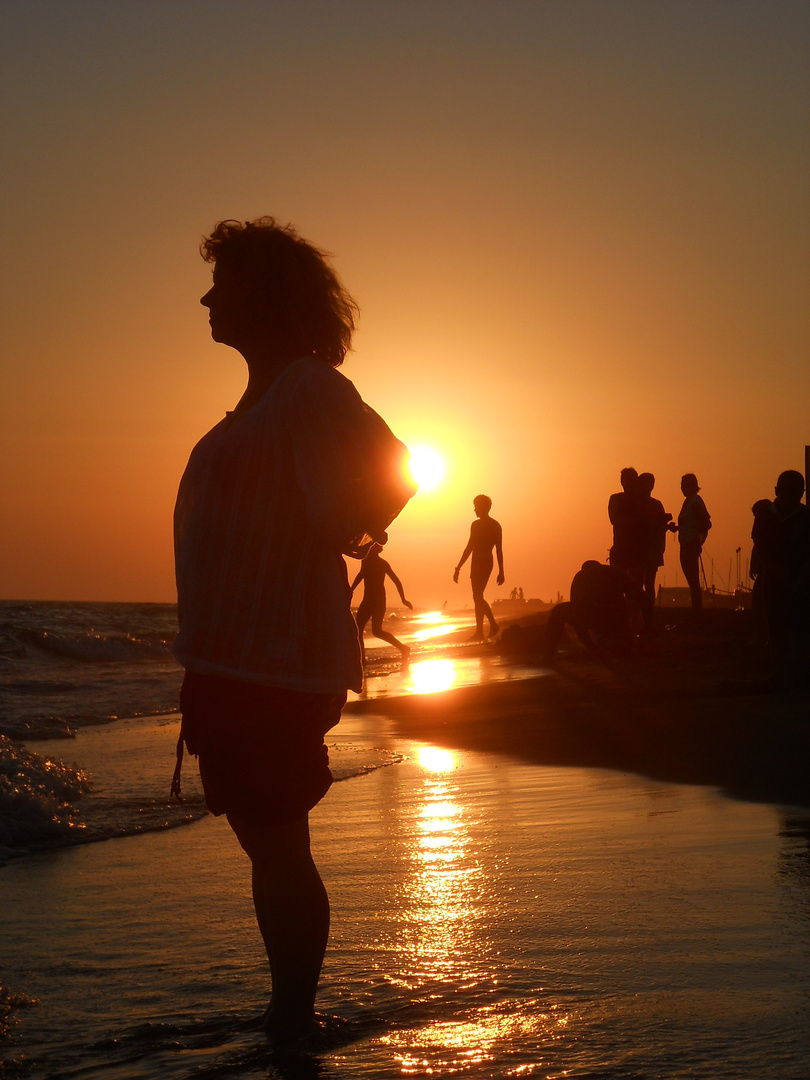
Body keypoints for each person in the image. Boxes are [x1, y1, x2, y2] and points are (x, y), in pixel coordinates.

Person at [170, 217, 415, 1043]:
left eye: (225, 281)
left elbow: (393, 468)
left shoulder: (307, 387)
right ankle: (288, 1007)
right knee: (269, 845)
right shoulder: (264, 400)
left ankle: (293, 1015)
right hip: (236, 662)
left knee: (278, 846)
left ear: (267, 295)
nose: (207, 295)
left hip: (272, 662)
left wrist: (349, 523)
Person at [751, 470, 810, 683]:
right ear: (777, 492)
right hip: (775, 581)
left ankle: (799, 670)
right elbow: (760, 547)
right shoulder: (765, 515)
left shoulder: (805, 517)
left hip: (800, 582)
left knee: (800, 626)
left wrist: (800, 576)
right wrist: (774, 570)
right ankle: (779, 670)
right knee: (776, 626)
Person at [545, 560, 642, 660]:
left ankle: (548, 655)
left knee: (558, 611)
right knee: (622, 647)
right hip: (615, 618)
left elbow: (577, 614)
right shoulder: (614, 571)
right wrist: (648, 627)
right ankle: (607, 647)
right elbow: (642, 597)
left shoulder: (581, 576)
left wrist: (590, 646)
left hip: (592, 616)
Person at [350, 543, 413, 664]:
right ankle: (362, 660)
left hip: (378, 601)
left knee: (376, 631)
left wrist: (403, 600)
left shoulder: (382, 564)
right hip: (368, 600)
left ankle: (403, 649)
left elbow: (396, 581)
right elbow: (361, 575)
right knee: (358, 630)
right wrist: (351, 589)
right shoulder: (366, 561)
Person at [453, 494, 504, 640]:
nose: (474, 509)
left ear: (483, 507)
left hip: (483, 562)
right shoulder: (490, 525)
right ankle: (482, 630)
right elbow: (471, 547)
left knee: (477, 596)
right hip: (481, 562)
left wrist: (502, 571)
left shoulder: (487, 525)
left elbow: (497, 549)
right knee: (478, 596)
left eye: (476, 506)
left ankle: (486, 628)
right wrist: (458, 567)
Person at [671, 473, 711, 618]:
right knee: (692, 580)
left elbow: (706, 523)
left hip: (690, 545)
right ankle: (696, 612)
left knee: (693, 580)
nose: (681, 488)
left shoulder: (694, 502)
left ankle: (697, 613)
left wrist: (697, 539)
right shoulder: (689, 501)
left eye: (683, 485)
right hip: (687, 543)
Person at [637, 472, 672, 626]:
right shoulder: (644, 504)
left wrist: (665, 525)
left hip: (649, 551)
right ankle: (643, 618)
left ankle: (646, 618)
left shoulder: (653, 504)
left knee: (647, 584)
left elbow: (658, 528)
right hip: (643, 550)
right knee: (642, 585)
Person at [607, 468, 646, 586]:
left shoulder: (641, 500)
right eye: (624, 480)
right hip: (623, 547)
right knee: (620, 583)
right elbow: (614, 520)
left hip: (635, 548)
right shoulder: (616, 499)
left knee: (634, 583)